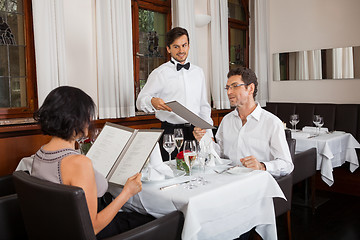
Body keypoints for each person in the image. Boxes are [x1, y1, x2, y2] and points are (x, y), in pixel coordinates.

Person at [31, 86, 154, 239]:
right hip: (90, 232)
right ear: (74, 119)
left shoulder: (40, 154)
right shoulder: (78, 163)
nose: (89, 120)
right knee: (157, 218)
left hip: (57, 229)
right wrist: (127, 193)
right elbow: (91, 227)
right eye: (87, 115)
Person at [193, 67, 294, 177]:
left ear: (250, 88)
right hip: (225, 180)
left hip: (255, 183)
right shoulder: (226, 120)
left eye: (235, 86)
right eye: (227, 88)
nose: (229, 92)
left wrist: (262, 166)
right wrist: (203, 139)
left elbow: (287, 164)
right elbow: (219, 155)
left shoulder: (272, 123)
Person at [136, 27, 213, 159]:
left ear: (189, 45)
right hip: (170, 134)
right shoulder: (159, 73)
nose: (181, 50)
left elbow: (204, 107)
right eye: (176, 47)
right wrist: (152, 101)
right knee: (172, 174)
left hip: (195, 132)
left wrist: (209, 134)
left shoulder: (198, 72)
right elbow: (140, 101)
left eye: (184, 45)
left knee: (195, 173)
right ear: (168, 49)